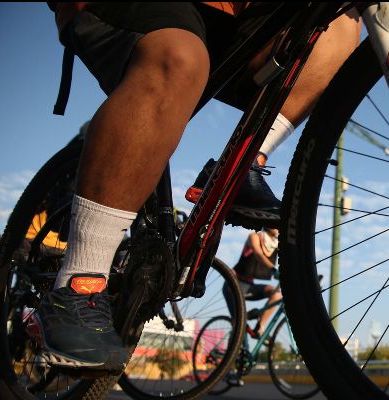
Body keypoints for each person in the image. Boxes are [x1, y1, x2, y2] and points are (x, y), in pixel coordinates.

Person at [28, 3, 361, 372]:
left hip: (234, 15)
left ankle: (244, 163)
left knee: (340, 29)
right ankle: (78, 283)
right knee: (181, 58)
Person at [229, 228, 281, 339]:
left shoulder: (276, 243)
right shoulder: (255, 236)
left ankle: (259, 327)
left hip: (249, 286)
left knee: (277, 294)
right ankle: (232, 353)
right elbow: (258, 253)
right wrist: (273, 270)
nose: (277, 227)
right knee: (239, 326)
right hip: (233, 283)